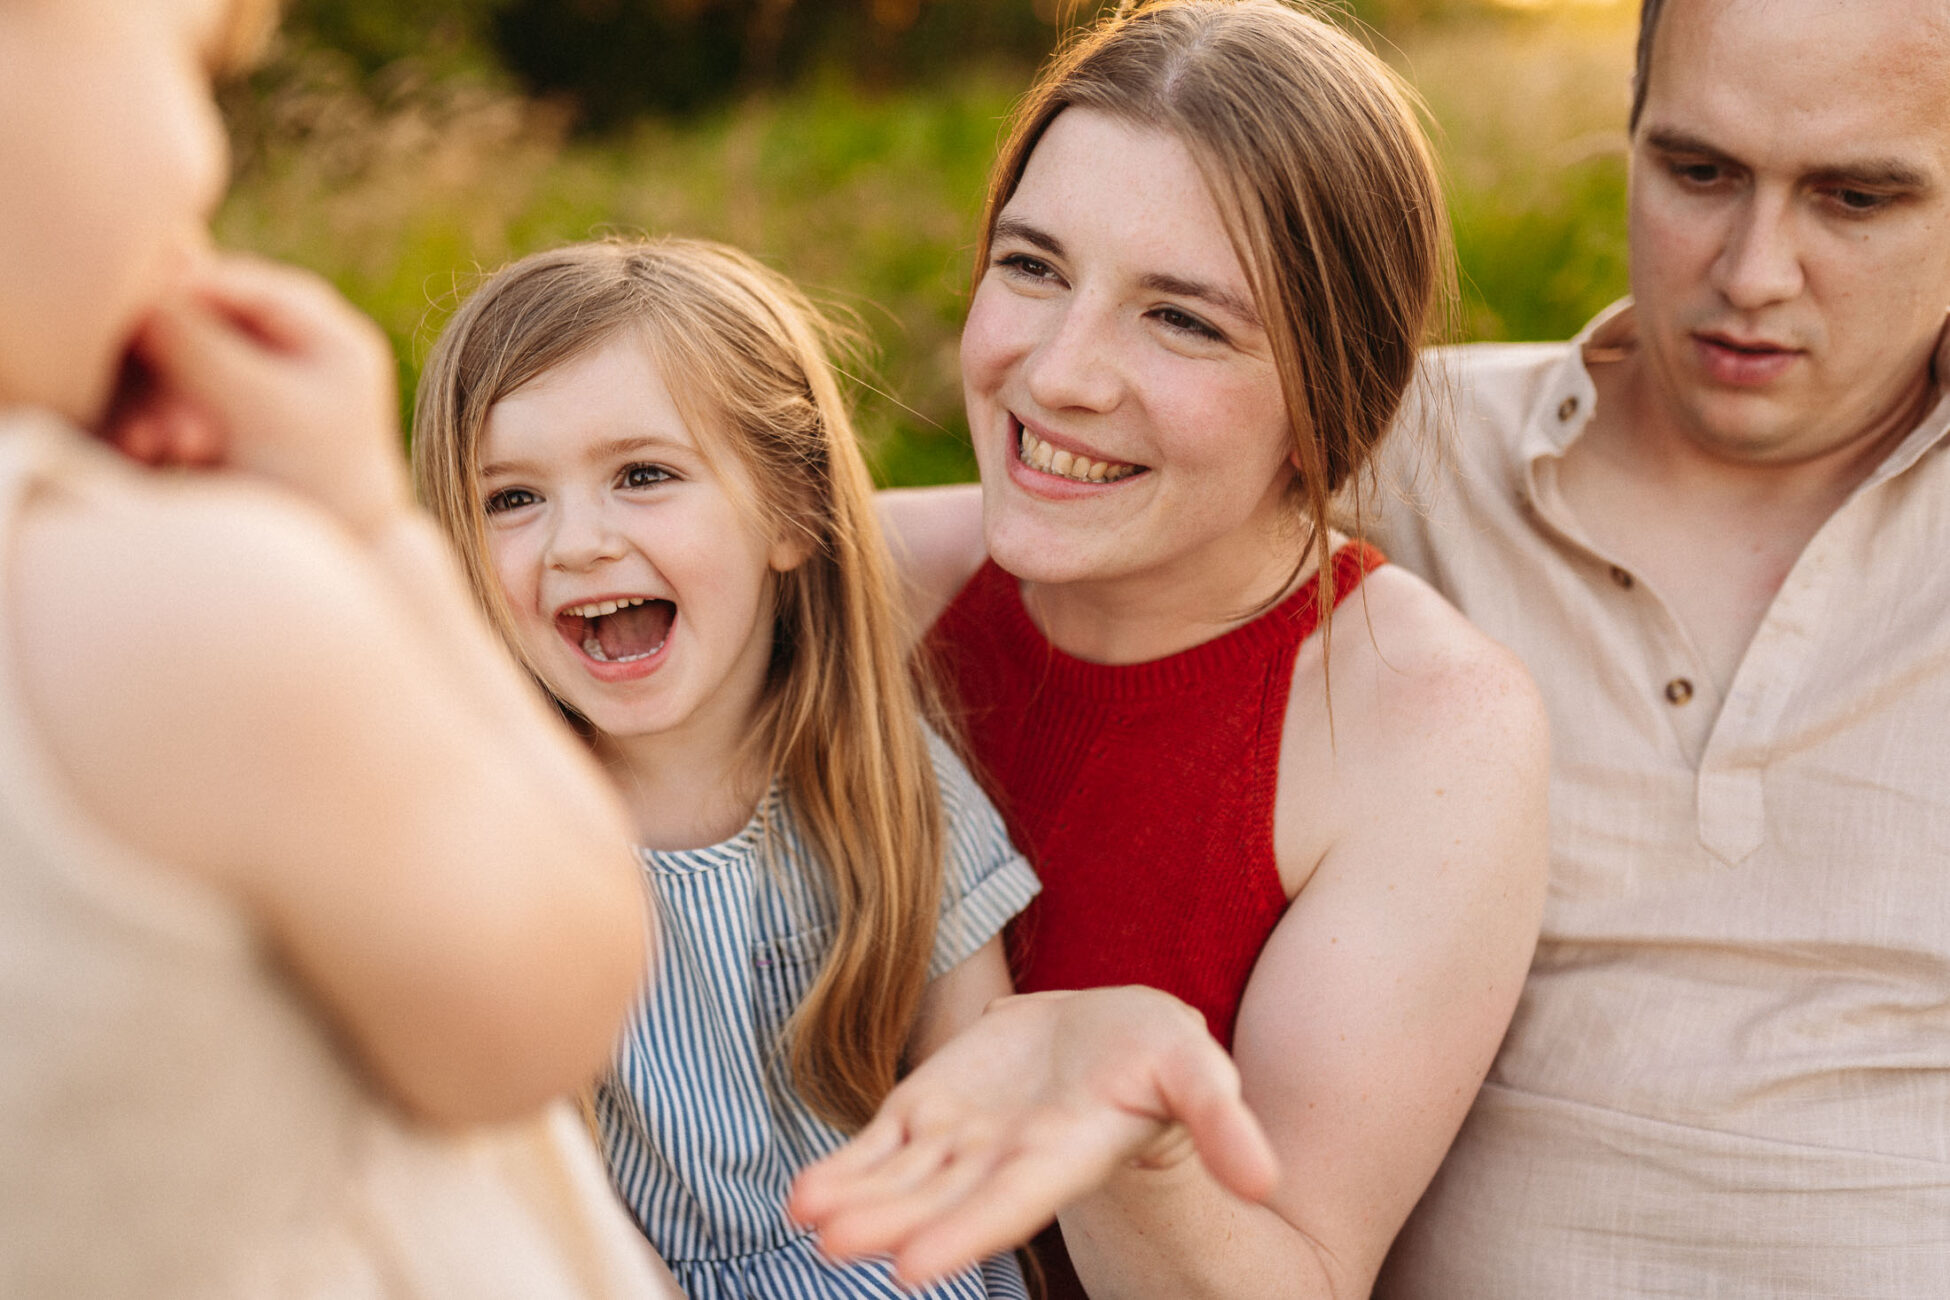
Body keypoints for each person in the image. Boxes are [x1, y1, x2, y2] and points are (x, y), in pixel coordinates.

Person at [791, 3, 1553, 1297]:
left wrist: (1130, 1143)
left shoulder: (1425, 732)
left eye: (1182, 320)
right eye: (1032, 267)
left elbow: (1297, 1277)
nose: (1060, 374)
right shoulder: (856, 587)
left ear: (1331, 406)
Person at [0, 0, 687, 1296]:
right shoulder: (186, 612)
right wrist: (371, 534)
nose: (208, 163)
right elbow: (557, 989)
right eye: (192, 72)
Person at [1360, 0, 1950, 1293]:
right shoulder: (1399, 454)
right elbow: (886, 557)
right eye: (1697, 173)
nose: (1750, 273)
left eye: (1852, 199)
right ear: (1625, 141)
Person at [412, 236, 1059, 1298]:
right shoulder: (490, 850)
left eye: (644, 475)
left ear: (794, 512)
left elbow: (988, 1105)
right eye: (511, 499)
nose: (578, 542)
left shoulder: (889, 786)